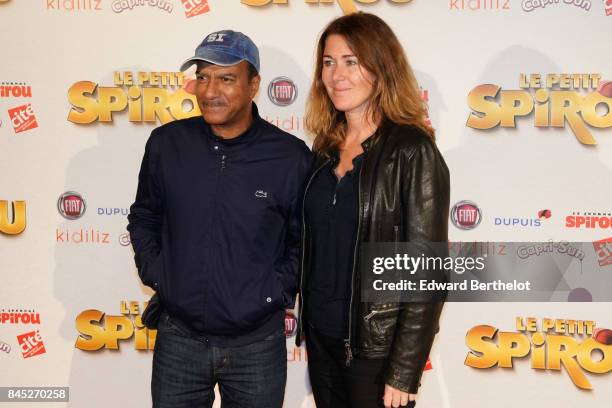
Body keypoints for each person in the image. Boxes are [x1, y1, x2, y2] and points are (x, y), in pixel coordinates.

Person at [127, 30, 311, 408]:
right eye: (203, 76)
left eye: (226, 78)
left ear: (253, 85)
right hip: (179, 338)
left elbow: (305, 241)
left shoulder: (289, 157)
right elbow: (144, 214)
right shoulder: (167, 144)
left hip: (257, 346)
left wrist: (272, 291)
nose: (210, 90)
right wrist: (159, 273)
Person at [298, 13, 450, 408]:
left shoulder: (411, 150)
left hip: (375, 354)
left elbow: (427, 270)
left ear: (382, 67)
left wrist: (404, 371)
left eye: (351, 61)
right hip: (322, 341)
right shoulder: (324, 148)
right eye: (328, 63)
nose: (336, 75)